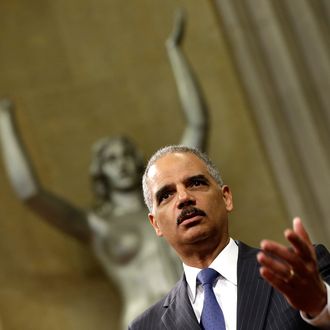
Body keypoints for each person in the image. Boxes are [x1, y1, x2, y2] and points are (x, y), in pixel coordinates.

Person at [0, 11, 209, 330]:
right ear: (101, 173)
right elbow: (30, 192)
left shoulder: (171, 205)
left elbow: (197, 125)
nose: (122, 163)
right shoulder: (95, 224)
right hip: (145, 321)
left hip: (197, 313)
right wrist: (4, 118)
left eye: (127, 154)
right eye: (111, 159)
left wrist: (174, 52)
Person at [129, 145, 330, 330]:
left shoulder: (300, 273)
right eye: (166, 195)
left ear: (226, 198)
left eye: (196, 183)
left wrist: (321, 306)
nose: (183, 198)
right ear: (155, 224)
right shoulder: (146, 326)